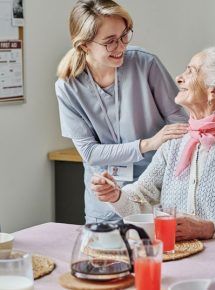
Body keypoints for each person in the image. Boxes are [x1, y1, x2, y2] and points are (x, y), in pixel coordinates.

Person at [92, 46, 215, 240]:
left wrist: (206, 228)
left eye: (190, 71)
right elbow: (141, 198)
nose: (178, 78)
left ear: (214, 90)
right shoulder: (176, 137)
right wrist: (116, 195)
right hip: (175, 255)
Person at [55, 0, 188, 223]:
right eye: (110, 42)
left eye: (124, 36)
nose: (121, 46)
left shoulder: (145, 64)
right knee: (105, 257)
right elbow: (90, 152)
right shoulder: (68, 87)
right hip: (105, 199)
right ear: (85, 45)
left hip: (154, 193)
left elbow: (179, 124)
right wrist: (148, 144)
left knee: (157, 256)